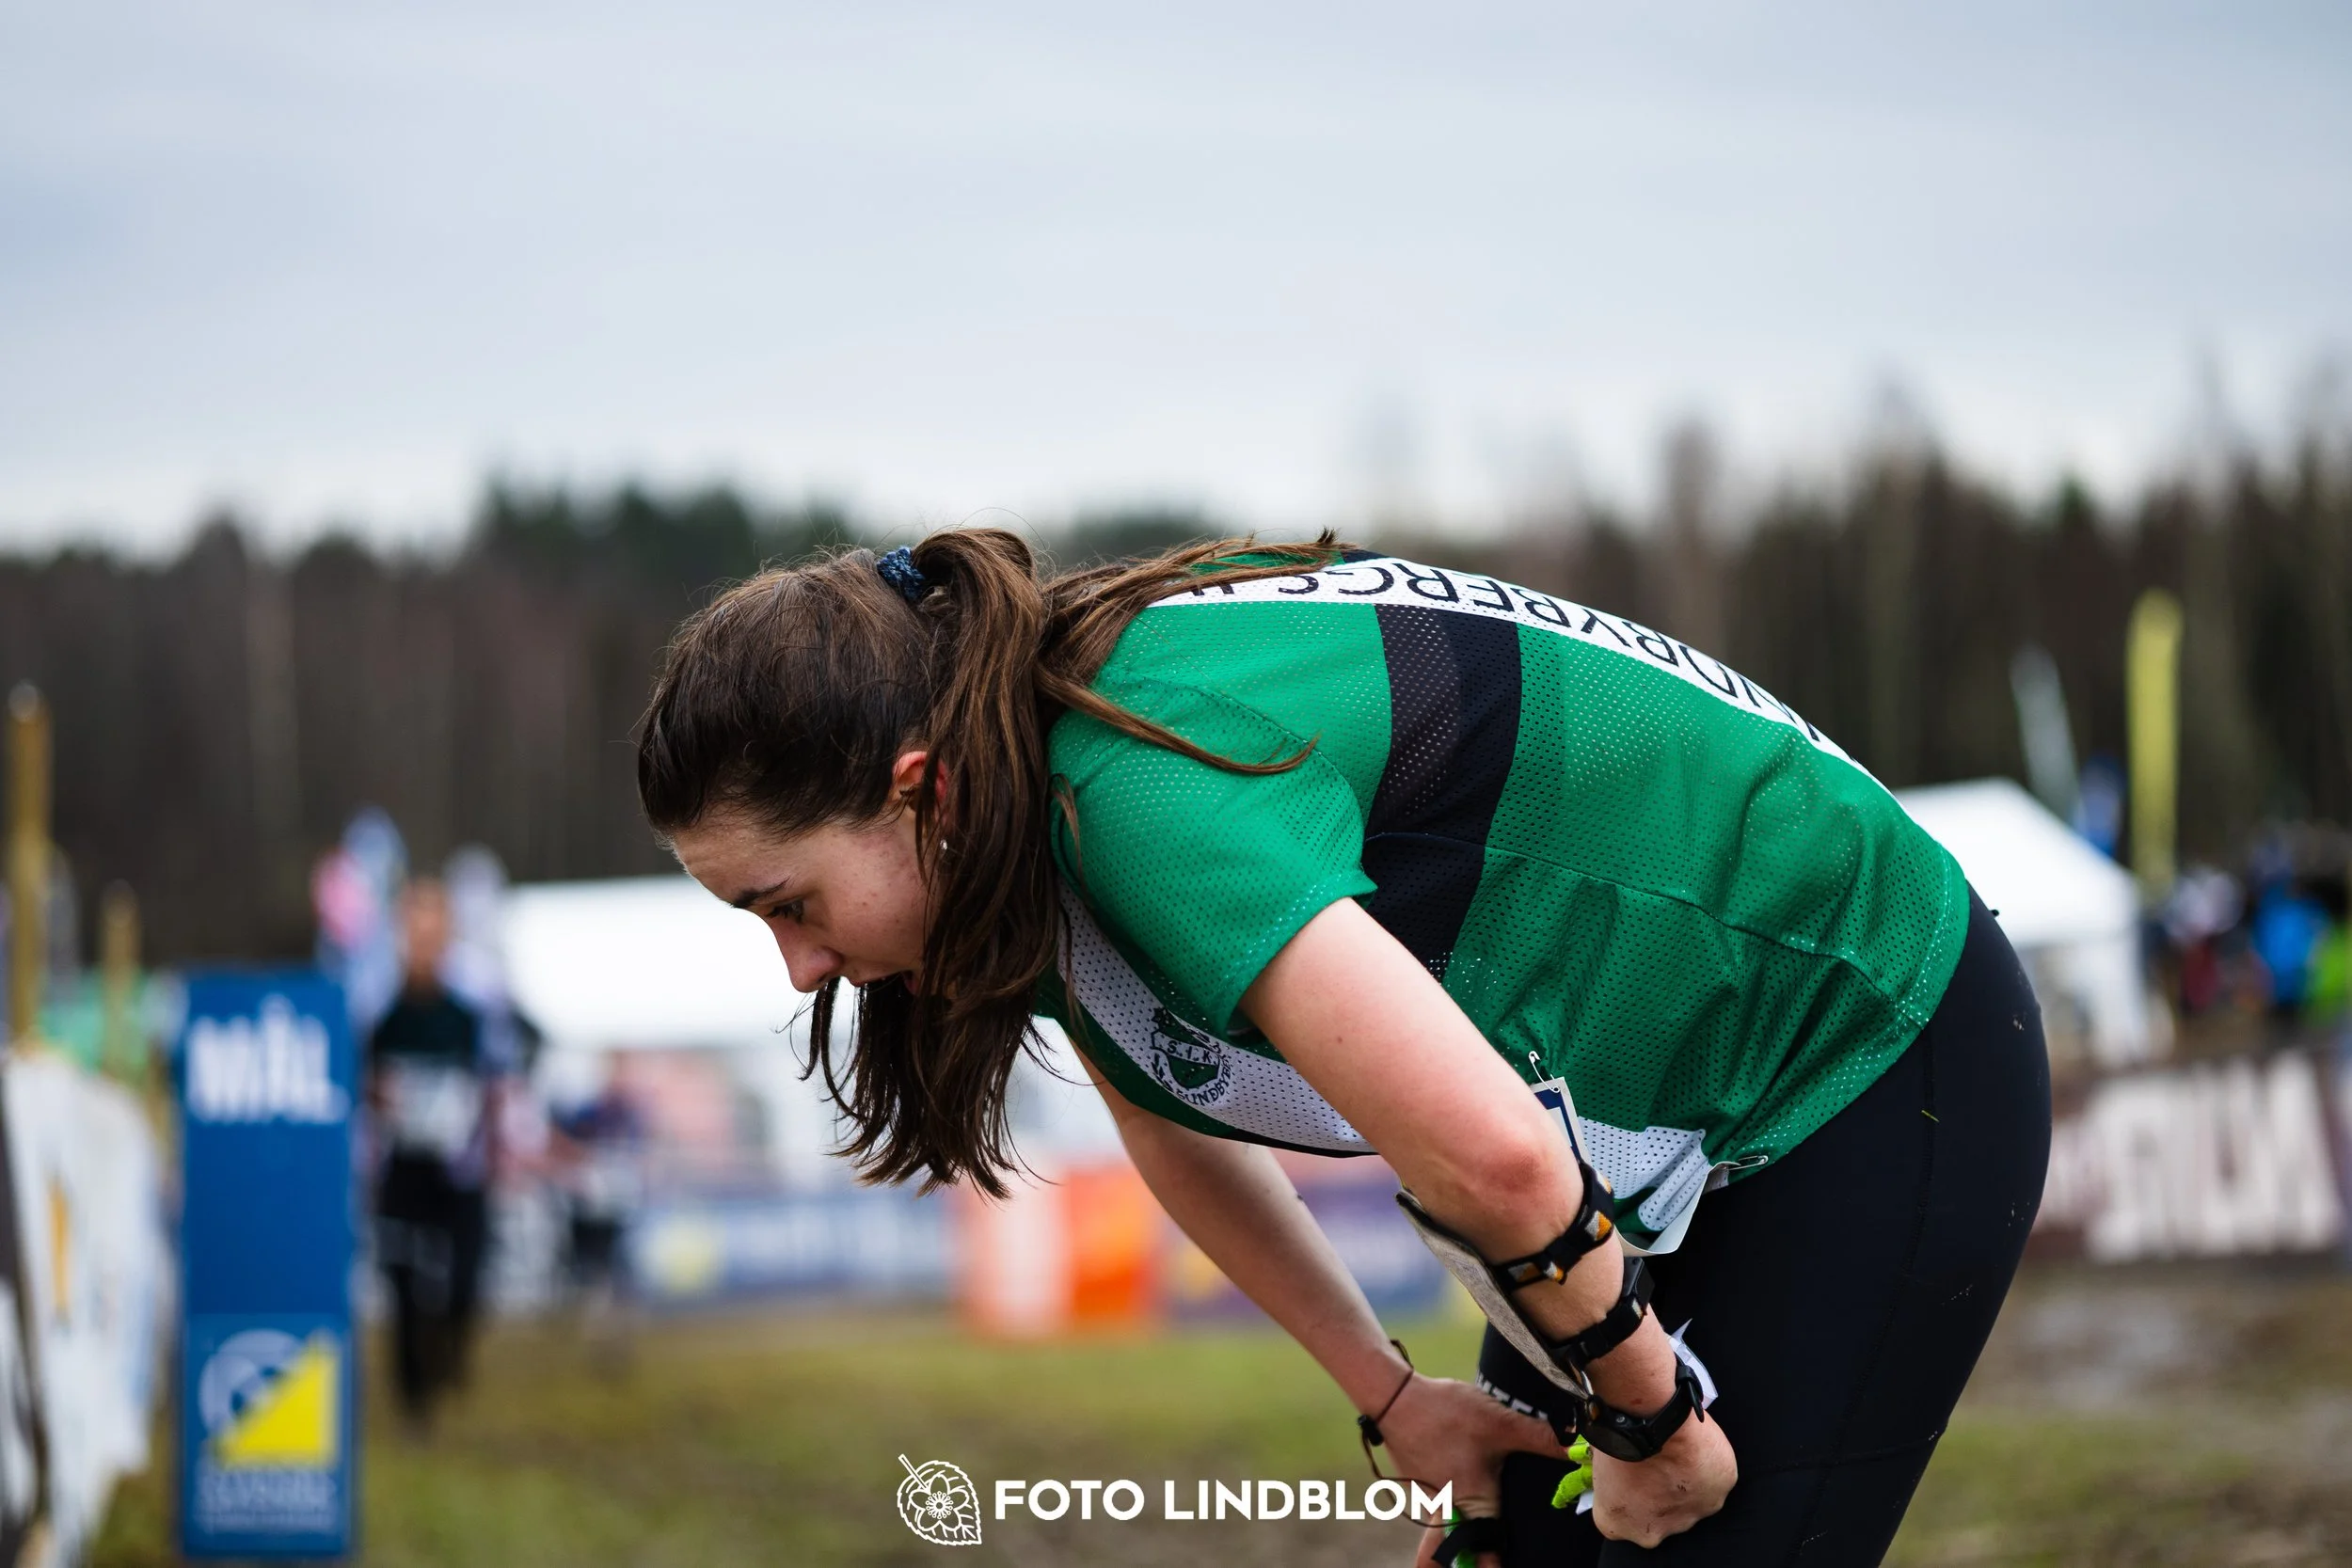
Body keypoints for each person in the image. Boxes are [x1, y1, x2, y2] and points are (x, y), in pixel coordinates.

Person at [634, 532, 2051, 1566]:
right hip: (1664, 1102)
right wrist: (1392, 1396)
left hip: (1874, 1036)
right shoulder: (1012, 784)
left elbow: (1491, 1155)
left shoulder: (1130, 793)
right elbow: (1167, 1110)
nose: (802, 965)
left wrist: (1654, 1411)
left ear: (913, 788)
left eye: (790, 903)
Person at [369, 877, 500, 1431]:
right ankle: (412, 1400)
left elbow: (491, 1085)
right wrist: (382, 1097)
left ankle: (449, 1351)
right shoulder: (381, 1017)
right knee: (400, 1283)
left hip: (458, 1167)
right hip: (402, 1167)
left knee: (466, 1276)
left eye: (434, 929)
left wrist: (481, 1134)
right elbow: (362, 1086)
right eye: (415, 929)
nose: (425, 941)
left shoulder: (467, 1016)